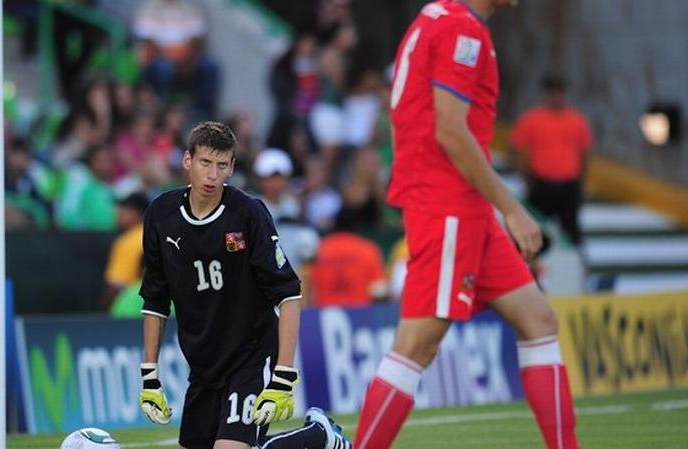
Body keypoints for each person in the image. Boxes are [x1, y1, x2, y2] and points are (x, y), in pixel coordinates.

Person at [353, 2, 580, 449]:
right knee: (416, 346)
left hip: (460, 204)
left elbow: (412, 119)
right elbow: (450, 132)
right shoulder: (463, 31)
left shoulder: (434, 16)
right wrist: (513, 208)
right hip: (448, 207)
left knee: (539, 320)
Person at [138, 121, 351, 449]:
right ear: (187, 161)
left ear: (232, 168)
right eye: (205, 163)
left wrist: (283, 375)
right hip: (203, 364)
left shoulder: (247, 213)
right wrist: (149, 374)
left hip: (251, 355)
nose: (212, 175)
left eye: (221, 165)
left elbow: (289, 292)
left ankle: (322, 437)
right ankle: (316, 437)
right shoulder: (161, 214)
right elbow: (154, 298)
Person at [510, 75, 593, 245]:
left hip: (569, 185)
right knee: (534, 228)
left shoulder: (576, 120)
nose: (556, 97)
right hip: (542, 184)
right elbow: (516, 147)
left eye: (559, 93)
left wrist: (582, 180)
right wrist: (524, 177)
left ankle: (575, 266)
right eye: (552, 93)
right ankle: (530, 265)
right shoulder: (533, 119)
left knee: (571, 231)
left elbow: (584, 152)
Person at [102, 192, 150, 313]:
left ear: (138, 214)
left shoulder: (128, 241)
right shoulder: (161, 234)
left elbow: (115, 286)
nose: (118, 213)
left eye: (125, 210)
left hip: (133, 306)